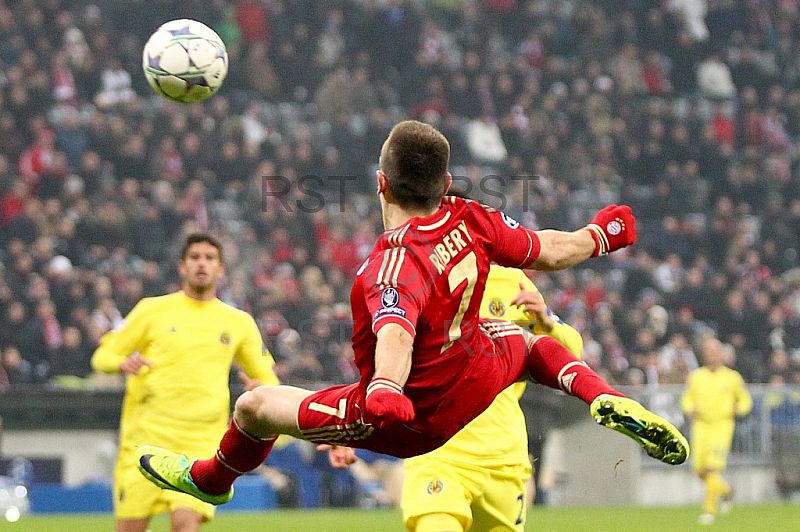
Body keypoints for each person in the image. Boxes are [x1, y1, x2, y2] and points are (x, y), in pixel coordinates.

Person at [135, 120, 688, 506]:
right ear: (445, 184)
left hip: (409, 417)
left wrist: (385, 389)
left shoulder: (393, 262)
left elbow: (395, 329)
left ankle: (212, 479)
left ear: (381, 183)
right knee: (526, 343)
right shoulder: (472, 218)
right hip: (472, 374)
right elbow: (551, 250)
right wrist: (603, 234)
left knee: (254, 407)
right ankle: (601, 394)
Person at [91, 233, 279, 532]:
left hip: (201, 442)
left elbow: (268, 377)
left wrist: (262, 391)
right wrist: (120, 363)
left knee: (185, 523)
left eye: (209, 258)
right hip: (144, 440)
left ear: (221, 269)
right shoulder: (151, 310)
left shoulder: (238, 322)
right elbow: (102, 356)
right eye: (194, 257)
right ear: (182, 267)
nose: (201, 264)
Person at [401, 265, 583, 532]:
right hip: (438, 453)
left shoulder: (512, 281)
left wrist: (547, 323)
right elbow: (384, 356)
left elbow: (571, 356)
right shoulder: (416, 277)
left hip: (503, 457)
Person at [681, 337, 752, 525]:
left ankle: (709, 510)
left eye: (715, 351)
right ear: (703, 354)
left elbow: (745, 400)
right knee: (700, 470)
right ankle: (726, 491)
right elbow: (688, 398)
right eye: (708, 351)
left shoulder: (732, 377)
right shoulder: (696, 376)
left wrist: (739, 408)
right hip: (701, 426)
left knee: (713, 467)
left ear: (721, 354)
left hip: (722, 426)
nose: (711, 355)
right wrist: (690, 408)